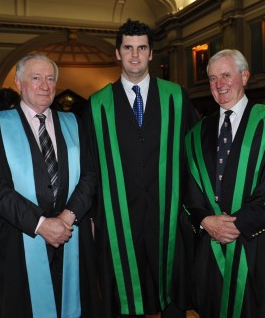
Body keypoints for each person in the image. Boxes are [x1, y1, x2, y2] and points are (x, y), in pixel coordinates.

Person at [184, 49, 265, 318]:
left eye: (226, 75)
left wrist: (235, 225)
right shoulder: (196, 133)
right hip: (212, 247)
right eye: (212, 78)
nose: (219, 84)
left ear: (244, 76)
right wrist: (206, 221)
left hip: (260, 244)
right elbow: (188, 189)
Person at [84, 19, 197, 317]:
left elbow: (192, 156)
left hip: (168, 213)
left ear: (151, 53)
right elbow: (90, 166)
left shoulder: (177, 97)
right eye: (128, 47)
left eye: (142, 47)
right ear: (118, 53)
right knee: (123, 298)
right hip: (118, 217)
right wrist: (94, 217)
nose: (135, 54)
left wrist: (193, 209)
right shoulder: (97, 105)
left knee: (172, 295)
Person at [0, 53, 97, 318]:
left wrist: (67, 218)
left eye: (50, 78)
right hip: (20, 240)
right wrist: (42, 225)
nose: (45, 85)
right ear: (19, 83)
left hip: (71, 236)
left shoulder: (73, 123)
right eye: (36, 78)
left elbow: (90, 176)